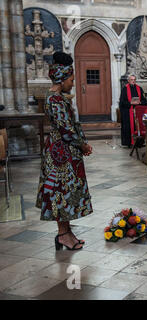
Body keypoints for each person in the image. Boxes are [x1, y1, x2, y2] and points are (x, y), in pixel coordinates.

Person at [36, 52, 93, 251]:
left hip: (64, 151)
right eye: (71, 79)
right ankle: (62, 235)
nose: (73, 83)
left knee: (66, 193)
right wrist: (82, 145)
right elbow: (66, 129)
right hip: (61, 155)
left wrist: (81, 143)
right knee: (61, 193)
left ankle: (67, 232)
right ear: (61, 79)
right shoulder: (56, 100)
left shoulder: (58, 97)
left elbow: (70, 125)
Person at [119, 74, 147, 147]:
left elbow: (144, 101)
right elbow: (122, 102)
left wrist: (140, 102)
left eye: (134, 80)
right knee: (128, 127)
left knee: (139, 127)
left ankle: (139, 143)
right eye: (131, 80)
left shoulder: (139, 88)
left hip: (138, 112)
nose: (133, 81)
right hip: (128, 112)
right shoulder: (124, 89)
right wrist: (130, 103)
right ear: (128, 80)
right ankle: (128, 142)